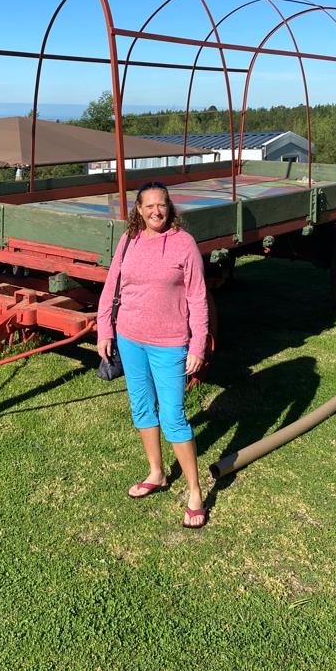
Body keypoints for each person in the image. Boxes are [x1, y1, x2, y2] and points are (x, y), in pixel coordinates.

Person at [96, 181, 209, 529]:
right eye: (148, 206)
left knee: (174, 415)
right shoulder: (129, 240)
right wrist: (105, 329)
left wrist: (198, 345)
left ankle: (194, 492)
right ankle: (157, 473)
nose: (155, 211)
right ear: (139, 210)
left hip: (170, 342)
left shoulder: (183, 244)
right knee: (142, 407)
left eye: (161, 205)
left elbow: (198, 297)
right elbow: (112, 283)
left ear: (170, 207)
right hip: (130, 339)